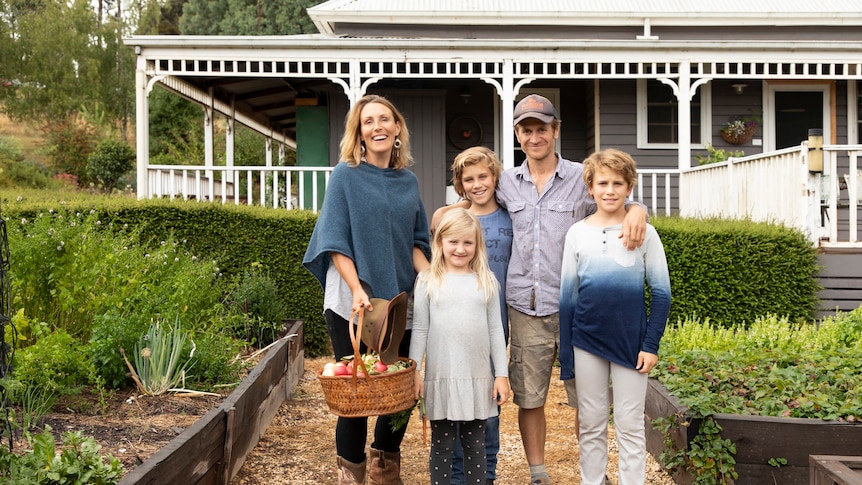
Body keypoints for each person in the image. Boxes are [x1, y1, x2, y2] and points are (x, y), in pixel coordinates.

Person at [496, 94, 648, 485]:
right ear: (517, 134)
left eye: (541, 129)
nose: (534, 137)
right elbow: (473, 199)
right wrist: (450, 209)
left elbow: (619, 200)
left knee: (588, 399)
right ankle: (538, 473)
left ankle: (593, 473)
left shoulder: (583, 177)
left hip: (581, 307)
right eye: (526, 130)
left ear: (556, 130)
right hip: (525, 306)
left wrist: (639, 211)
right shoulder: (506, 183)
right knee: (530, 397)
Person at [302, 94, 431, 485]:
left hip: (396, 304)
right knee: (355, 398)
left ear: (396, 129)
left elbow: (416, 242)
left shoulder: (408, 181)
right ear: (358, 132)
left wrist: (437, 282)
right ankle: (351, 476)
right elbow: (334, 239)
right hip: (350, 302)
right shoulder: (345, 175)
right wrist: (357, 289)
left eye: (384, 120)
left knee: (399, 395)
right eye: (368, 121)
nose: (377, 127)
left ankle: (384, 470)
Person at [559, 149, 671, 485]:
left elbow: (662, 295)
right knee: (591, 424)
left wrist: (650, 345)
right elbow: (567, 299)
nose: (610, 190)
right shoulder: (577, 233)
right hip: (587, 342)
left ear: (629, 187)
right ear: (590, 188)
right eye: (602, 183)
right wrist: (567, 355)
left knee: (630, 424)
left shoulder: (645, 234)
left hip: (631, 344)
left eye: (618, 183)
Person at [409, 208, 510, 485]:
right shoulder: (428, 281)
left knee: (475, 446)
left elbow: (495, 330)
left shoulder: (486, 281)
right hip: (441, 378)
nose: (460, 248)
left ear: (477, 244)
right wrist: (415, 371)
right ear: (440, 242)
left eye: (468, 242)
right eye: (453, 241)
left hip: (478, 379)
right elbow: (420, 328)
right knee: (441, 447)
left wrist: (501, 374)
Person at [431, 146, 512, 485]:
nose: (478, 184)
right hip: (454, 330)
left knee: (486, 412)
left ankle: (485, 476)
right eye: (469, 179)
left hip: (495, 327)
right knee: (453, 409)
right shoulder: (451, 219)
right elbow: (433, 251)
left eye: (483, 176)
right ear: (460, 185)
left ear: (495, 177)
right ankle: (455, 477)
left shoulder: (510, 214)